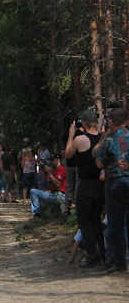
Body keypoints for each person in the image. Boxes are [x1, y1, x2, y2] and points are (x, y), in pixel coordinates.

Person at [64, 109, 105, 268]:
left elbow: (68, 155)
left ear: (84, 123)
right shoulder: (102, 138)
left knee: (84, 221)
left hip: (85, 184)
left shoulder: (81, 139)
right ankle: (102, 252)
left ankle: (92, 256)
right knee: (96, 219)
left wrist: (70, 135)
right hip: (99, 183)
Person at [94, 106, 129, 274]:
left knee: (115, 222)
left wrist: (103, 137)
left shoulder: (109, 141)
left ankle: (119, 262)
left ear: (112, 122)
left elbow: (99, 162)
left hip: (115, 183)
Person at [29, 153, 66, 218]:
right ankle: (41, 215)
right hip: (54, 193)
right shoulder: (54, 170)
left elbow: (58, 184)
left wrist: (50, 173)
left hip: (60, 195)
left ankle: (37, 214)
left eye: (53, 160)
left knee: (33, 191)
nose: (52, 162)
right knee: (38, 192)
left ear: (58, 160)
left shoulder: (61, 169)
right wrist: (43, 170)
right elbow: (46, 180)